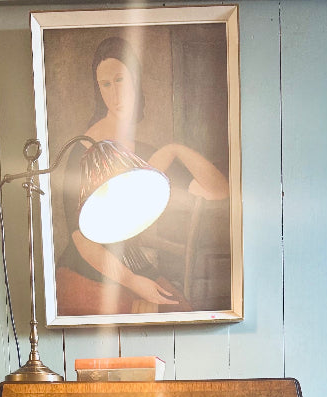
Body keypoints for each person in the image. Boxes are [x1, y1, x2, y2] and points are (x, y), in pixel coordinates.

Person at [55, 35, 229, 317]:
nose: (114, 94)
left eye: (120, 80)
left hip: (134, 263)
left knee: (181, 312)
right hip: (85, 272)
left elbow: (220, 190)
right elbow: (80, 238)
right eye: (106, 85)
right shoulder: (85, 150)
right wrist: (134, 282)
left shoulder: (147, 157)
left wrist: (177, 149)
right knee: (138, 317)